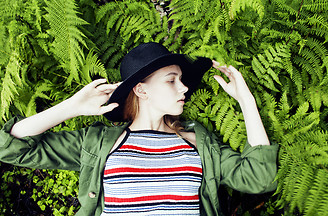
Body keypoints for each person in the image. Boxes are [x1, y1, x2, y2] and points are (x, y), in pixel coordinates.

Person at [0, 42, 278, 216]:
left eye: (182, 80)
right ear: (141, 90)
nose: (183, 88)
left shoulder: (197, 143)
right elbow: (10, 146)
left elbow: (259, 178)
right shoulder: (99, 144)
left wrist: (247, 101)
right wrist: (71, 107)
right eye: (172, 80)